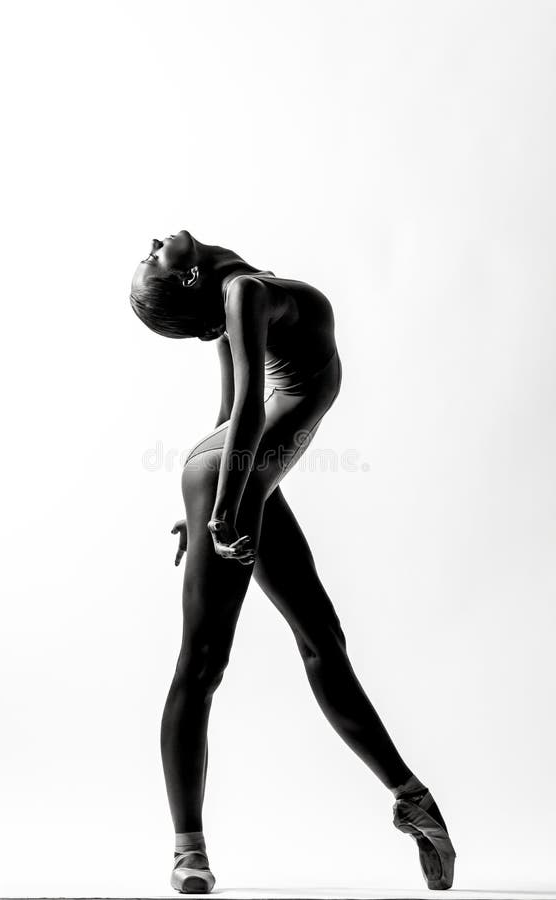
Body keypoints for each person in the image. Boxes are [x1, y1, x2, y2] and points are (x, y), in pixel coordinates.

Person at [129, 230, 456, 893]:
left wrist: (213, 500)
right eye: (153, 258)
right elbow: (247, 406)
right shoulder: (243, 293)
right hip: (237, 478)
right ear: (186, 278)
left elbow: (227, 412)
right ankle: (187, 852)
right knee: (203, 662)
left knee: (321, 640)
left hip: (237, 475)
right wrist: (222, 510)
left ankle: (410, 797)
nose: (156, 240)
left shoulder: (234, 298)